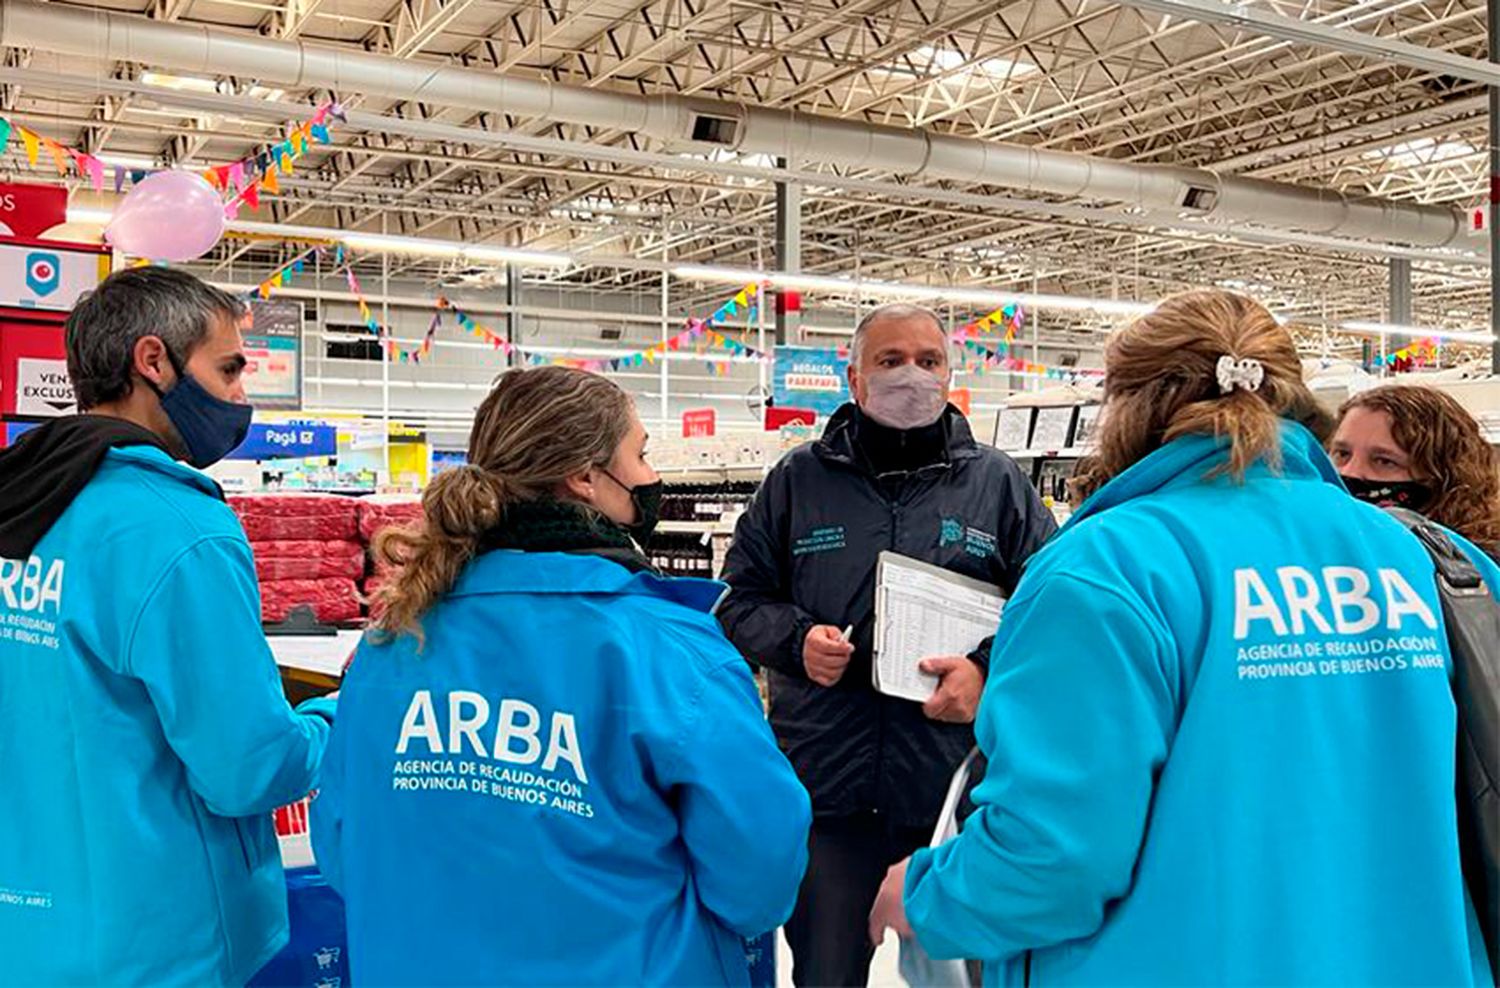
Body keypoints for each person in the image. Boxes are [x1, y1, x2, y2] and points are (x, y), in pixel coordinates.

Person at [868, 290, 1496, 986]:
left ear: (1128, 409)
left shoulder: (1106, 571)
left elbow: (1055, 857)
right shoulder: (1437, 561)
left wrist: (927, 894)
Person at [311, 365, 811, 986]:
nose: (651, 478)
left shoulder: (393, 642)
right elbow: (758, 877)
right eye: (641, 455)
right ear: (584, 478)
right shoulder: (668, 652)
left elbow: (339, 846)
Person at [0, 267, 335, 986]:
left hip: (25, 932)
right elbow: (248, 769)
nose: (241, 395)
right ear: (154, 362)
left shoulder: (22, 505)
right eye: (229, 368)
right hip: (153, 939)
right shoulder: (176, 528)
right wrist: (336, 718)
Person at [718, 302, 1056, 987]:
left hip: (951, 795)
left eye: (928, 362)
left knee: (966, 976)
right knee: (826, 971)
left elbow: (1052, 612)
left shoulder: (998, 485)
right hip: (827, 796)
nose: (912, 377)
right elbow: (736, 601)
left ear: (951, 375)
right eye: (891, 361)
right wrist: (794, 641)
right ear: (853, 376)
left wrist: (986, 671)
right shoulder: (797, 481)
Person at [1331, 383, 1500, 560]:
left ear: (1441, 478)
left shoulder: (1482, 571)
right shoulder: (1314, 550)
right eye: (1343, 454)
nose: (1351, 472)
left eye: (1384, 461)